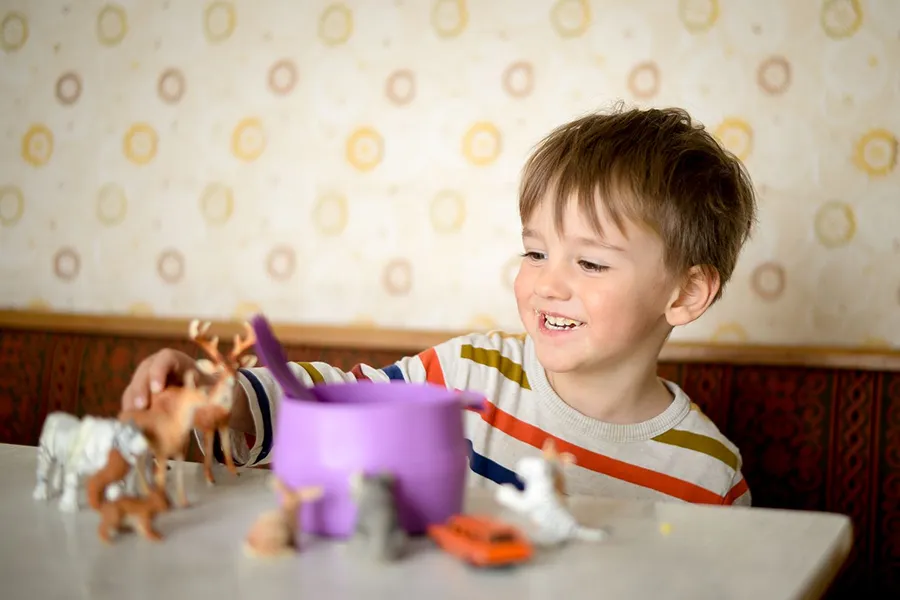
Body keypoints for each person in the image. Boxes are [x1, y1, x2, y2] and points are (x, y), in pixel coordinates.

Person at [122, 103, 757, 506]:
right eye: (535, 252)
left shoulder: (708, 476)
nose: (546, 283)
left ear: (686, 293)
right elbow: (342, 401)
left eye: (589, 262)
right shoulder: (468, 376)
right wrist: (223, 395)